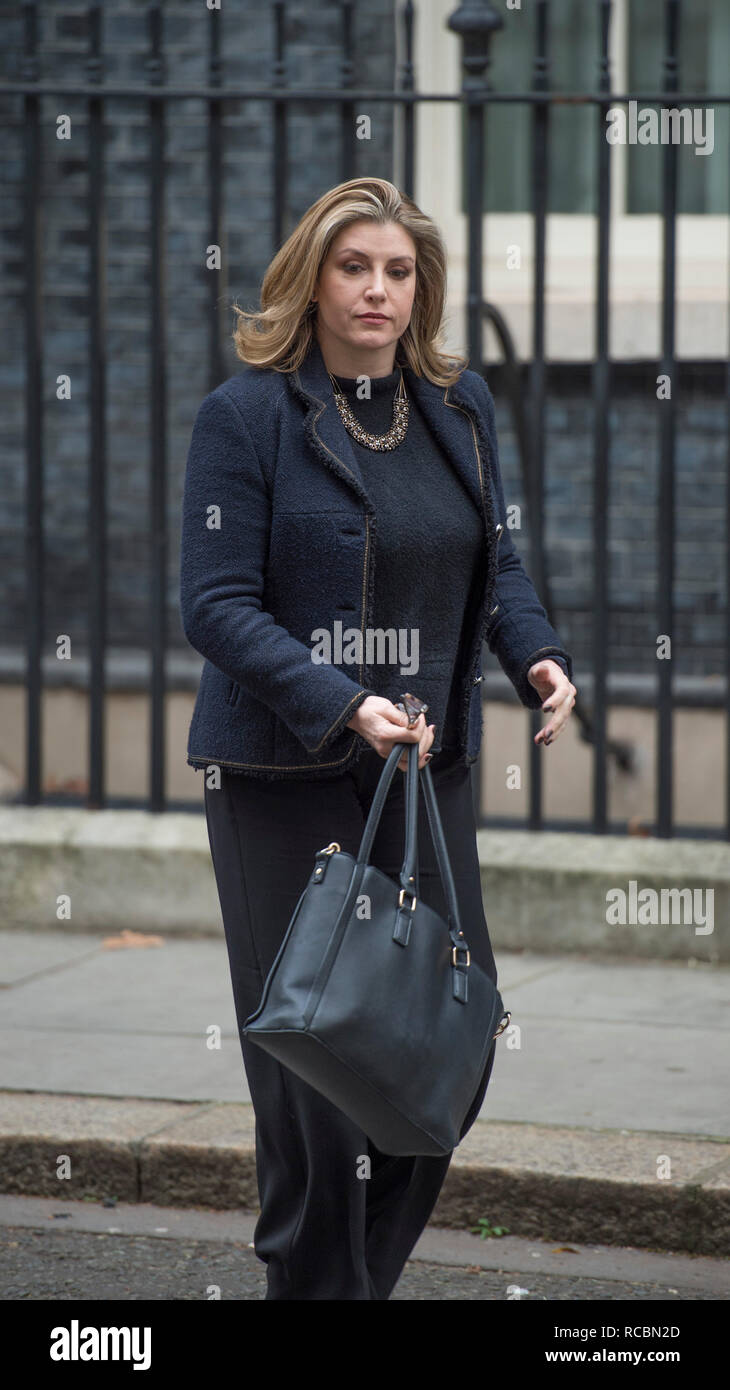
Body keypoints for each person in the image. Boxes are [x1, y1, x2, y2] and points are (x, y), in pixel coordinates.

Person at [179, 176, 576, 1300]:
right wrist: (341, 696)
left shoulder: (456, 408)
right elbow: (214, 604)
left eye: (398, 271)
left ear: (422, 288)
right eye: (355, 267)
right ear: (312, 277)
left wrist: (536, 655)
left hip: (422, 777)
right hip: (280, 779)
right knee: (315, 1082)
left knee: (447, 1049)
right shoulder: (246, 415)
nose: (378, 290)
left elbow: (497, 566)